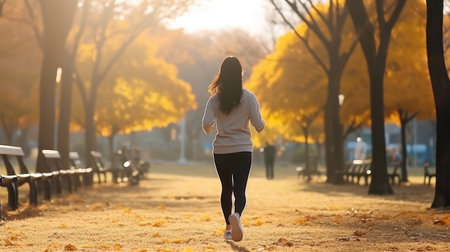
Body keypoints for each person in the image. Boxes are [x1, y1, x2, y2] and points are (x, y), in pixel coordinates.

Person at [202, 56, 265, 242]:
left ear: (221, 74)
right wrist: (260, 120)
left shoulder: (214, 100)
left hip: (221, 151)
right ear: (239, 74)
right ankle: (236, 215)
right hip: (243, 150)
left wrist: (212, 126)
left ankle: (228, 228)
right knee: (240, 189)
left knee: (226, 188)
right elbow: (259, 126)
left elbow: (206, 125)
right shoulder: (249, 97)